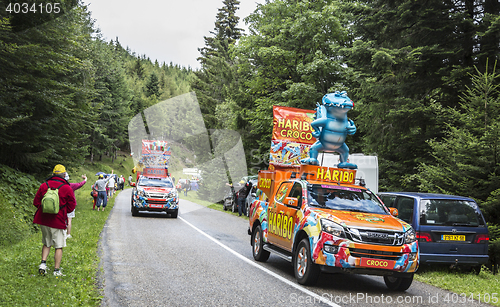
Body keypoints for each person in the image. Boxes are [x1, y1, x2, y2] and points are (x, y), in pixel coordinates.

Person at [33, 164, 76, 276]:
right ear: (64, 174)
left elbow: (36, 202)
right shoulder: (67, 188)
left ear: (52, 174)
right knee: (59, 246)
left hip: (44, 220)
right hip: (58, 221)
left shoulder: (44, 185)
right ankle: (56, 270)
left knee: (47, 243)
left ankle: (43, 264)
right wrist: (63, 211)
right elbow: (72, 205)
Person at [65, 173, 87, 239]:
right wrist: (85, 179)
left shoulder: (58, 186)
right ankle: (68, 234)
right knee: (69, 219)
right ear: (68, 178)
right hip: (70, 205)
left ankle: (63, 232)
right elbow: (80, 184)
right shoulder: (71, 185)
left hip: (61, 204)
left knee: (62, 219)